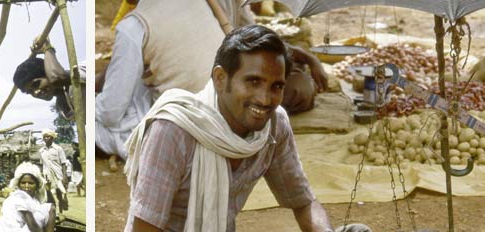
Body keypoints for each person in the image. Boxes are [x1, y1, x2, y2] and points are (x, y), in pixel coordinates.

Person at [117, 26, 374, 232]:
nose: (264, 99)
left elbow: (303, 202)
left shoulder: (273, 125)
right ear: (220, 78)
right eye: (252, 82)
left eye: (275, 86)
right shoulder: (174, 130)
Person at [95, 0, 327, 172]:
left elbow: (110, 113)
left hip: (197, 125)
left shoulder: (133, 27)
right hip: (230, 110)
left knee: (99, 122)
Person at [0, 162, 65, 232]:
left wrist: (47, 189)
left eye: (31, 183)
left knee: (48, 207)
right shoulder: (20, 196)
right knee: (50, 208)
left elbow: (47, 203)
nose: (27, 186)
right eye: (23, 183)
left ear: (37, 185)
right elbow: (32, 225)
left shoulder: (32, 198)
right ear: (19, 184)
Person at [12, 38, 86, 121]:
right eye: (30, 92)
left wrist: (47, 48)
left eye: (36, 84)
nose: (36, 92)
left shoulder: (81, 70)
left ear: (47, 73)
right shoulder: (62, 104)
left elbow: (57, 78)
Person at [38, 129, 70, 214]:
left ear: (52, 138)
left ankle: (61, 211)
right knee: (48, 193)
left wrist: (65, 176)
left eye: (48, 137)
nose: (46, 138)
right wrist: (41, 175)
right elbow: (42, 164)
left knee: (60, 192)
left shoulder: (58, 149)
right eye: (45, 137)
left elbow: (63, 163)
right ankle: (53, 212)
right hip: (47, 175)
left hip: (58, 174)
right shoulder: (41, 151)